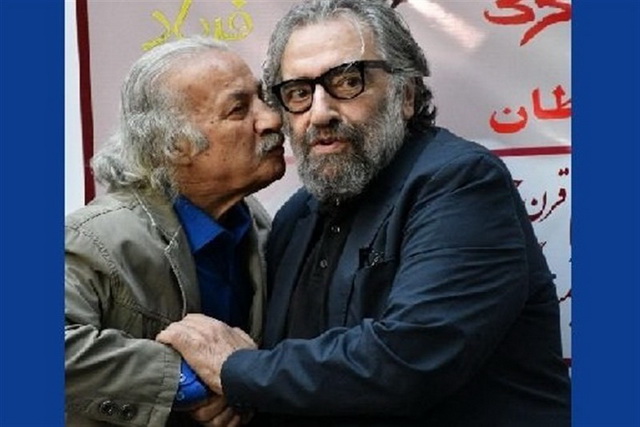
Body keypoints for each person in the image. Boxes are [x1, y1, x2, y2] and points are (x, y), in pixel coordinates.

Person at [157, 1, 572, 426]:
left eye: (348, 82)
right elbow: (294, 373)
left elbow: (407, 361)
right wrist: (234, 396)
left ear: (405, 95)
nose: (320, 113)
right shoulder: (295, 217)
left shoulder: (461, 183)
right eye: (299, 93)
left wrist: (236, 371)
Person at [65, 36, 285, 427]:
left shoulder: (260, 223)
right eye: (238, 109)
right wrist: (192, 381)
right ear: (173, 145)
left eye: (263, 98)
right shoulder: (92, 239)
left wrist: (245, 378)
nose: (271, 119)